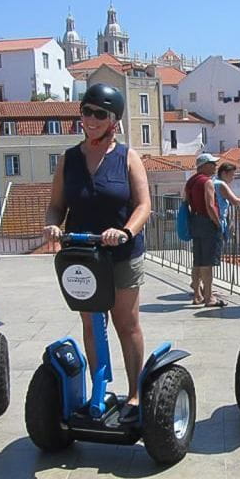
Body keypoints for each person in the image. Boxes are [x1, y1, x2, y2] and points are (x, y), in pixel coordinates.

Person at [44, 83, 151, 423]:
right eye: (86, 111)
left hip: (121, 253)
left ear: (113, 121)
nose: (91, 119)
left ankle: (135, 394)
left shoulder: (127, 157)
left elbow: (144, 205)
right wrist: (52, 227)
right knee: (91, 323)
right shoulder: (69, 159)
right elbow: (55, 206)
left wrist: (125, 232)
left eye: (99, 114)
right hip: (83, 254)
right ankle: (99, 388)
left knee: (125, 322)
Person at [184, 153, 226, 307]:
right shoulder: (207, 182)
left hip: (195, 221)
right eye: (212, 163)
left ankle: (197, 295)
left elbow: (186, 201)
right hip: (207, 223)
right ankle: (209, 297)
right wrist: (218, 223)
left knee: (198, 260)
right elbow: (210, 205)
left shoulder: (191, 181)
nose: (215, 167)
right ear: (204, 165)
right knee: (208, 262)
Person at [212, 161, 240, 243]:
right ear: (224, 173)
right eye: (232, 175)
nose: (233, 178)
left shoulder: (213, 181)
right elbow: (236, 201)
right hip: (218, 220)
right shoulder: (221, 184)